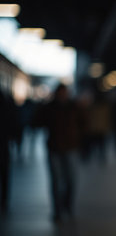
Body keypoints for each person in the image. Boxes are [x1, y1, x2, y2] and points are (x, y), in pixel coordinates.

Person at [33, 84, 84, 221]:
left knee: (71, 179)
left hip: (71, 147)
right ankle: (57, 210)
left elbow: (84, 124)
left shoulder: (75, 107)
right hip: (54, 148)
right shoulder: (49, 107)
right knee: (56, 180)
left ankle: (67, 205)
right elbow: (37, 122)